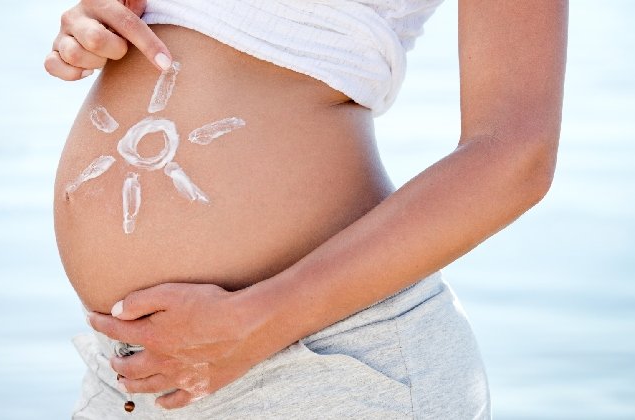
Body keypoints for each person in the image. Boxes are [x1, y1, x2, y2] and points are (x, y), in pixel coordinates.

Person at [45, 0, 567, 418]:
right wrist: (91, 24)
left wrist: (263, 319)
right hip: (131, 374)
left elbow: (515, 156)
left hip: (325, 363)